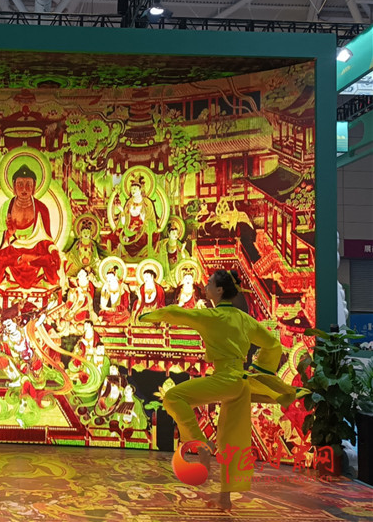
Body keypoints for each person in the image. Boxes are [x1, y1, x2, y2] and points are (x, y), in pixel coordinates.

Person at [138, 269, 303, 511]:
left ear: (219, 290)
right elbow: (273, 345)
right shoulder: (244, 319)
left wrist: (149, 316)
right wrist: (260, 370)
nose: (205, 287)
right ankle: (225, 498)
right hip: (240, 383)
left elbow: (177, 313)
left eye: (209, 284)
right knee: (230, 442)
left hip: (226, 379)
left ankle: (200, 445)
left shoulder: (212, 316)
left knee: (173, 397)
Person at [0, 164, 61, 292]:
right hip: (13, 249)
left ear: (34, 187)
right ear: (13, 186)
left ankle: (46, 281)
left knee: (52, 260)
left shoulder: (41, 208)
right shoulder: (6, 207)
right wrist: (8, 233)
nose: (24, 189)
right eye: (20, 184)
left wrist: (53, 250)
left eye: (28, 185)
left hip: (35, 249)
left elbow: (46, 238)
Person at [115, 178, 158, 259]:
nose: (133, 191)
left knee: (142, 238)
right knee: (118, 236)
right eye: (131, 189)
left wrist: (144, 219)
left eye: (135, 189)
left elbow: (152, 221)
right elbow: (124, 220)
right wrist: (122, 211)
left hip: (142, 230)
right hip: (128, 229)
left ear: (140, 190)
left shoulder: (147, 203)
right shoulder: (129, 202)